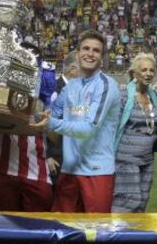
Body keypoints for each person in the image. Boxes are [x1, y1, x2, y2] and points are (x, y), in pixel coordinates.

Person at [48, 30, 121, 213]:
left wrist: (50, 123)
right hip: (70, 170)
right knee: (64, 230)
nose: (90, 53)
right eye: (86, 48)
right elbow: (53, 113)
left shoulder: (106, 85)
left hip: (96, 172)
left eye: (96, 50)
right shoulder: (71, 86)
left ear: (102, 57)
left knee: (96, 233)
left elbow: (89, 128)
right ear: (78, 53)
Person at [0, 44, 55, 212]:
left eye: (30, 61)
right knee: (2, 231)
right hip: (4, 170)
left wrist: (49, 126)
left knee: (39, 232)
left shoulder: (48, 93)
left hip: (38, 171)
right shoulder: (0, 89)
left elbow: (56, 136)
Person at [112, 53, 157, 212]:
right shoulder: (124, 97)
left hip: (147, 159)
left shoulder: (153, 96)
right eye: (144, 70)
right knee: (127, 202)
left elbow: (156, 122)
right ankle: (118, 236)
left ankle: (135, 237)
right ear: (134, 73)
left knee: (142, 201)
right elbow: (113, 127)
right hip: (126, 159)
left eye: (151, 70)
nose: (148, 74)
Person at [46, 51, 79, 184]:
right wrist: (47, 156)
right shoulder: (53, 91)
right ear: (72, 69)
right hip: (58, 159)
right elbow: (43, 123)